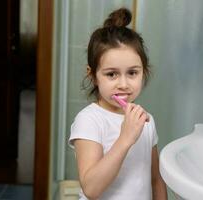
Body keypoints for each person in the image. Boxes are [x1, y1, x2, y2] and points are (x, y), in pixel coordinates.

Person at [69, 7, 167, 200]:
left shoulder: (146, 120)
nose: (123, 84)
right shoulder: (90, 120)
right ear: (93, 76)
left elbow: (156, 180)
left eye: (132, 73)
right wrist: (125, 138)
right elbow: (91, 189)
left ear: (143, 72)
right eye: (111, 74)